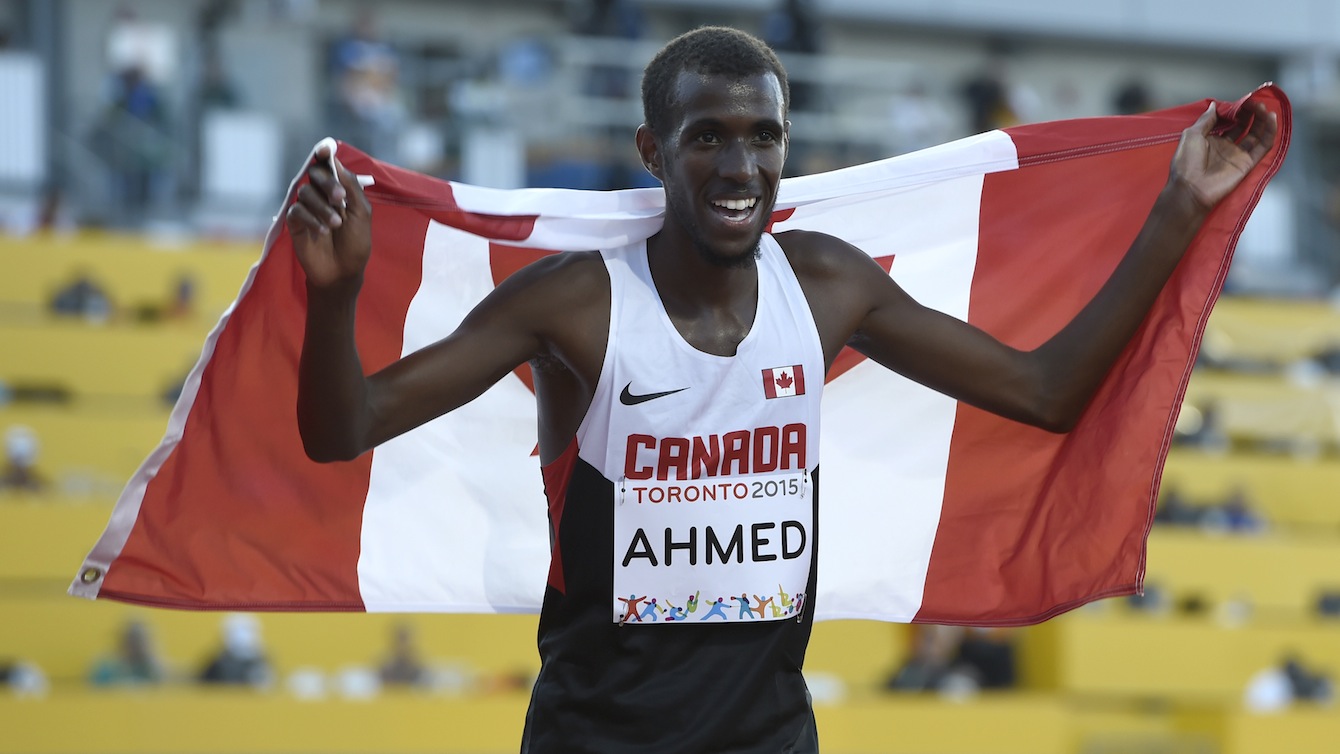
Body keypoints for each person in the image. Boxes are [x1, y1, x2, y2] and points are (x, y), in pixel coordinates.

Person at [286, 26, 1276, 753]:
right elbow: (346, 431)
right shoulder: (574, 307)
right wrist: (334, 301)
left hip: (768, 735)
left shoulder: (825, 284)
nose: (739, 165)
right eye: (707, 137)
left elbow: (1045, 390)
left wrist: (1178, 208)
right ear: (651, 151)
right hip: (595, 740)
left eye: (762, 137)